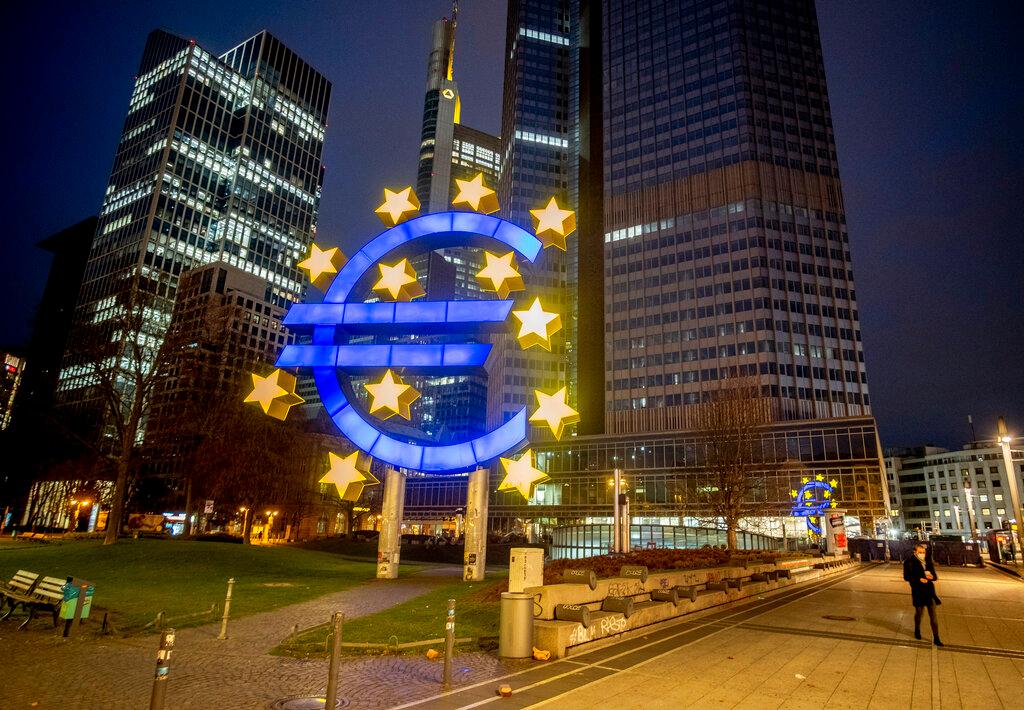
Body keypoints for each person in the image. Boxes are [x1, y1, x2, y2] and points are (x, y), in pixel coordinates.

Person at [902, 542, 943, 646]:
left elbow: (935, 576)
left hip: (929, 591)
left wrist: (931, 577)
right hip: (917, 591)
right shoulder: (909, 562)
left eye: (923, 552)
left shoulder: (928, 561)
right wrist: (919, 579)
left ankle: (936, 637)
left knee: (933, 615)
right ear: (915, 552)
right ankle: (917, 629)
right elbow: (906, 577)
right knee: (919, 613)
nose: (922, 554)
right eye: (920, 552)